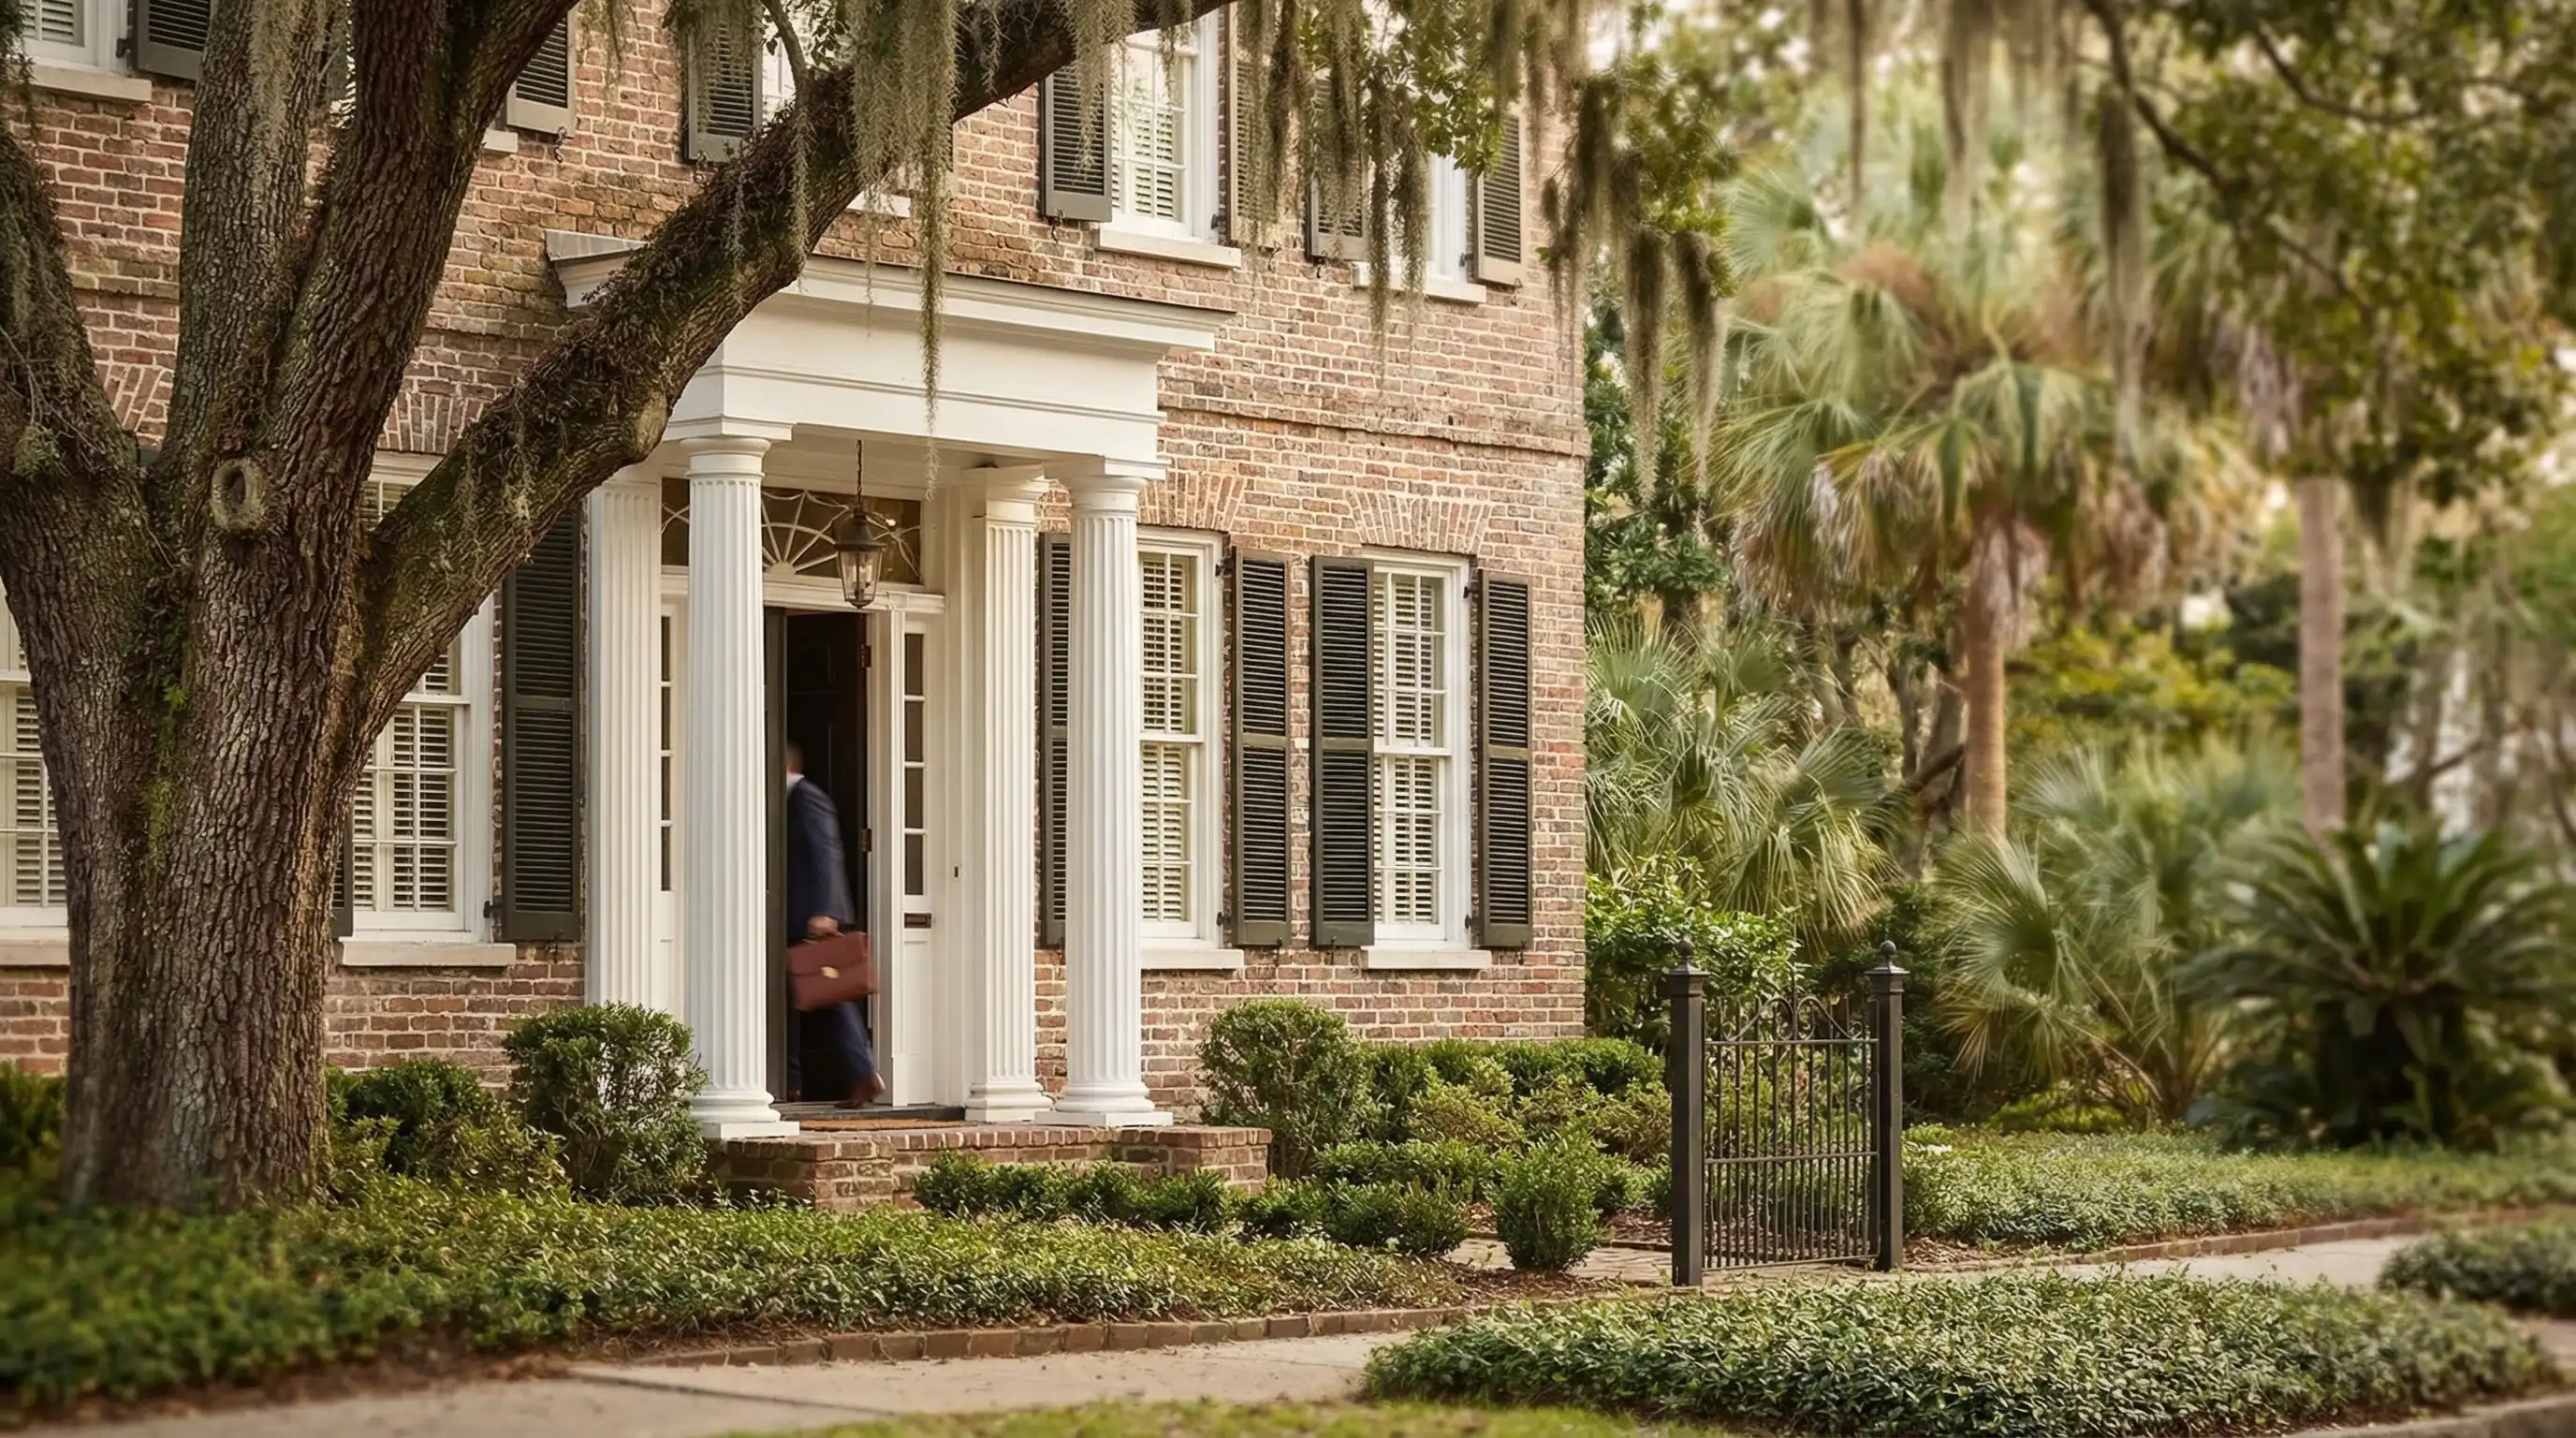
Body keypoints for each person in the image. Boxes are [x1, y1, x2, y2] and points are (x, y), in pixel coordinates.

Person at [783, 741, 879, 1108]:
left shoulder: (808, 798)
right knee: (792, 1000)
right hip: (790, 918)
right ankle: (791, 1082)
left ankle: (863, 1073)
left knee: (833, 995)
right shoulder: (787, 801)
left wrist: (826, 912)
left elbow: (826, 851)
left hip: (811, 918)